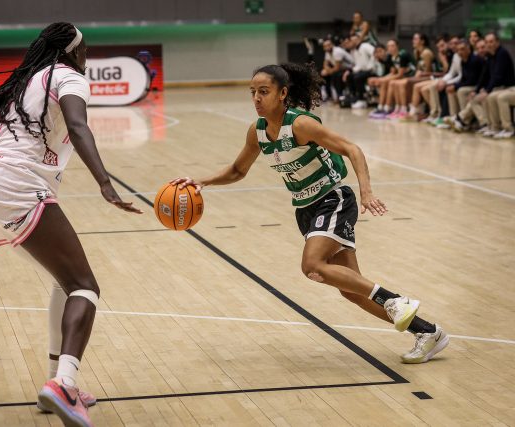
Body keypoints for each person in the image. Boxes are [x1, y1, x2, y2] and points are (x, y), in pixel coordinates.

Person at [0, 23, 143, 427]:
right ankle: (65, 384)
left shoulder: (19, 85)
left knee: (64, 282)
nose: (87, 55)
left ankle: (54, 385)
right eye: (86, 48)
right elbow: (78, 126)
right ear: (73, 51)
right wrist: (105, 184)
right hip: (18, 185)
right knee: (85, 286)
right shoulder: (69, 78)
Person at [172, 63, 449, 364]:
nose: (256, 98)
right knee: (351, 290)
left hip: (333, 199)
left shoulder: (301, 124)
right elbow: (238, 170)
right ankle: (428, 332)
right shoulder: (258, 131)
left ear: (282, 93)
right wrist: (203, 181)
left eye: (264, 91)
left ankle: (394, 300)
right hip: (305, 209)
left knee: (312, 265)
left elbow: (352, 149)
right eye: (252, 92)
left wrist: (366, 192)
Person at [452, 33, 515, 136]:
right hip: (500, 87)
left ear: (497, 42)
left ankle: (508, 128)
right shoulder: (491, 56)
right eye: (487, 42)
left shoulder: (502, 53)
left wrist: (487, 90)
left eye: (491, 42)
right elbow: (485, 76)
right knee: (482, 97)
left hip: (509, 87)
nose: (489, 44)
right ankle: (494, 127)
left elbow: (498, 77)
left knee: (495, 97)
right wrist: (478, 90)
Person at [388, 33, 433, 120]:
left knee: (405, 83)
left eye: (415, 39)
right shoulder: (416, 52)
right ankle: (399, 108)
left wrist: (417, 75)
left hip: (429, 76)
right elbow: (418, 68)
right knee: (397, 83)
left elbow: (428, 71)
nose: (413, 41)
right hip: (419, 76)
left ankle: (408, 110)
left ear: (422, 41)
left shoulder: (426, 53)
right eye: (413, 39)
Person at [368, 39, 414, 119]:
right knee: (385, 82)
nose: (390, 48)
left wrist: (383, 79)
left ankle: (396, 108)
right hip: (404, 75)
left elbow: (400, 74)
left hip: (412, 75)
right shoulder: (392, 57)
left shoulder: (402, 55)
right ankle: (381, 107)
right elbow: (393, 73)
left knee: (392, 83)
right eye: (389, 46)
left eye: (392, 46)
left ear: (397, 46)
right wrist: (382, 79)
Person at [343, 34, 375, 109]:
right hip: (362, 71)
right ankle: (355, 96)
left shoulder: (365, 46)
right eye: (352, 40)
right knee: (350, 76)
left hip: (371, 70)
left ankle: (362, 99)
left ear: (359, 39)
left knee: (357, 78)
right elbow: (358, 65)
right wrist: (350, 71)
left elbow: (375, 53)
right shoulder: (354, 51)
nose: (353, 41)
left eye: (355, 39)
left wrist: (371, 66)